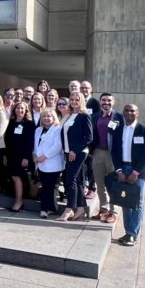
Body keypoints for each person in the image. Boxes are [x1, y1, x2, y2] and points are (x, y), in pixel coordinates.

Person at [110, 104, 145, 247]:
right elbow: (114, 152)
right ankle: (128, 232)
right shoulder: (118, 130)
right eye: (126, 110)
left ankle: (133, 234)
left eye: (132, 110)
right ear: (123, 113)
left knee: (137, 203)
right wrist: (119, 171)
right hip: (123, 169)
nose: (129, 113)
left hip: (138, 171)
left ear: (137, 113)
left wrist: (135, 172)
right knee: (125, 202)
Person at [56, 92, 93, 222]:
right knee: (75, 180)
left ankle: (69, 208)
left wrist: (75, 150)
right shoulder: (70, 115)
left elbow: (88, 137)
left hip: (78, 152)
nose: (74, 101)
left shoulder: (84, 116)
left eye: (77, 99)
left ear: (81, 101)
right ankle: (81, 208)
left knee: (70, 179)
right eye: (71, 99)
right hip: (68, 152)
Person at [90, 93, 125, 223]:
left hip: (113, 155)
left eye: (109, 100)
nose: (106, 102)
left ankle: (113, 211)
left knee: (112, 184)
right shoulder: (95, 117)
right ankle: (103, 209)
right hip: (98, 152)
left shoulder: (119, 117)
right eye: (103, 100)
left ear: (113, 102)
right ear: (100, 102)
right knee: (99, 184)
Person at [3, 101, 36, 212]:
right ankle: (18, 200)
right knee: (13, 177)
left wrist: (26, 157)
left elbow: (30, 142)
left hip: (22, 156)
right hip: (11, 155)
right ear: (14, 110)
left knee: (17, 177)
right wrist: (5, 155)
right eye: (18, 108)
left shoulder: (29, 124)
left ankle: (18, 202)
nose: (20, 110)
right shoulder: (11, 123)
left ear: (26, 110)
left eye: (22, 108)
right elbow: (7, 140)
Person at [33, 108, 64, 218]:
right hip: (40, 164)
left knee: (47, 187)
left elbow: (57, 146)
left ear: (53, 117)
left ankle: (44, 209)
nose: (46, 118)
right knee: (48, 187)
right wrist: (35, 156)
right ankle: (52, 208)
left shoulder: (58, 129)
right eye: (44, 116)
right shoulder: (38, 130)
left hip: (52, 164)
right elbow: (35, 145)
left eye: (48, 116)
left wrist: (44, 157)